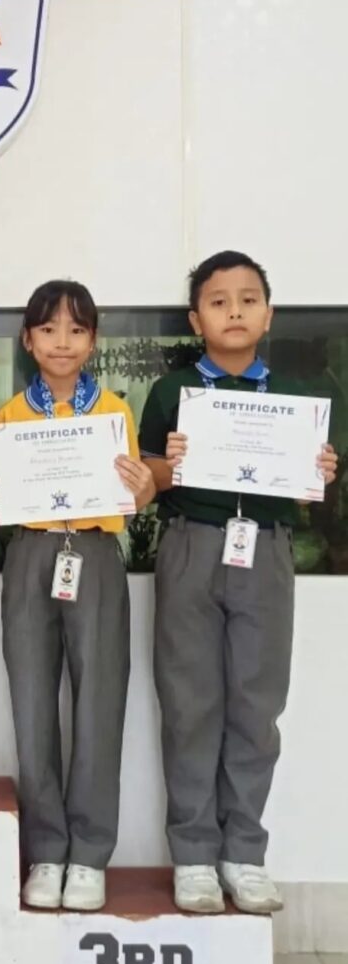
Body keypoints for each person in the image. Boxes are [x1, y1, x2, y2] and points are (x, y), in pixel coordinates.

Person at [139, 250, 338, 913]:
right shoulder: (171, 392)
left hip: (267, 551)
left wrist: (319, 470)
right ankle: (195, 855)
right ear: (197, 319)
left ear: (268, 314)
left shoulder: (294, 396)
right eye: (218, 302)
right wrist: (167, 465)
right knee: (189, 705)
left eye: (248, 300)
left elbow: (309, 483)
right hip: (191, 546)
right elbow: (144, 481)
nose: (234, 312)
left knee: (256, 706)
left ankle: (244, 853)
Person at [0, 280, 154, 910]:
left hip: (93, 555)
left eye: (76, 330)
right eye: (48, 329)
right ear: (28, 339)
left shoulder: (116, 412)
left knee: (100, 700)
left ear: (93, 340)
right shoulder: (9, 417)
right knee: (32, 702)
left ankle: (90, 854)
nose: (62, 342)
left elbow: (136, 497)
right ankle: (46, 850)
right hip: (30, 555)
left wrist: (143, 488)